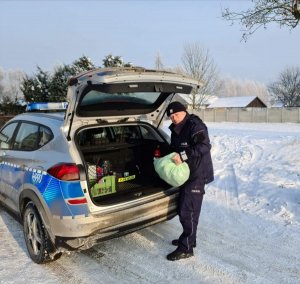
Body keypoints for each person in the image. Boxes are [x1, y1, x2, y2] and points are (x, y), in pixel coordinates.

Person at [165, 101, 214, 261]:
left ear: (184, 112)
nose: (174, 118)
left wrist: (183, 156)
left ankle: (186, 248)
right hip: (185, 173)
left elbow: (205, 146)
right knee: (184, 208)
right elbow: (174, 149)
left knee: (189, 211)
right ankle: (189, 239)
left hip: (197, 174)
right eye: (171, 116)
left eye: (176, 114)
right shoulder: (175, 129)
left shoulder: (195, 125)